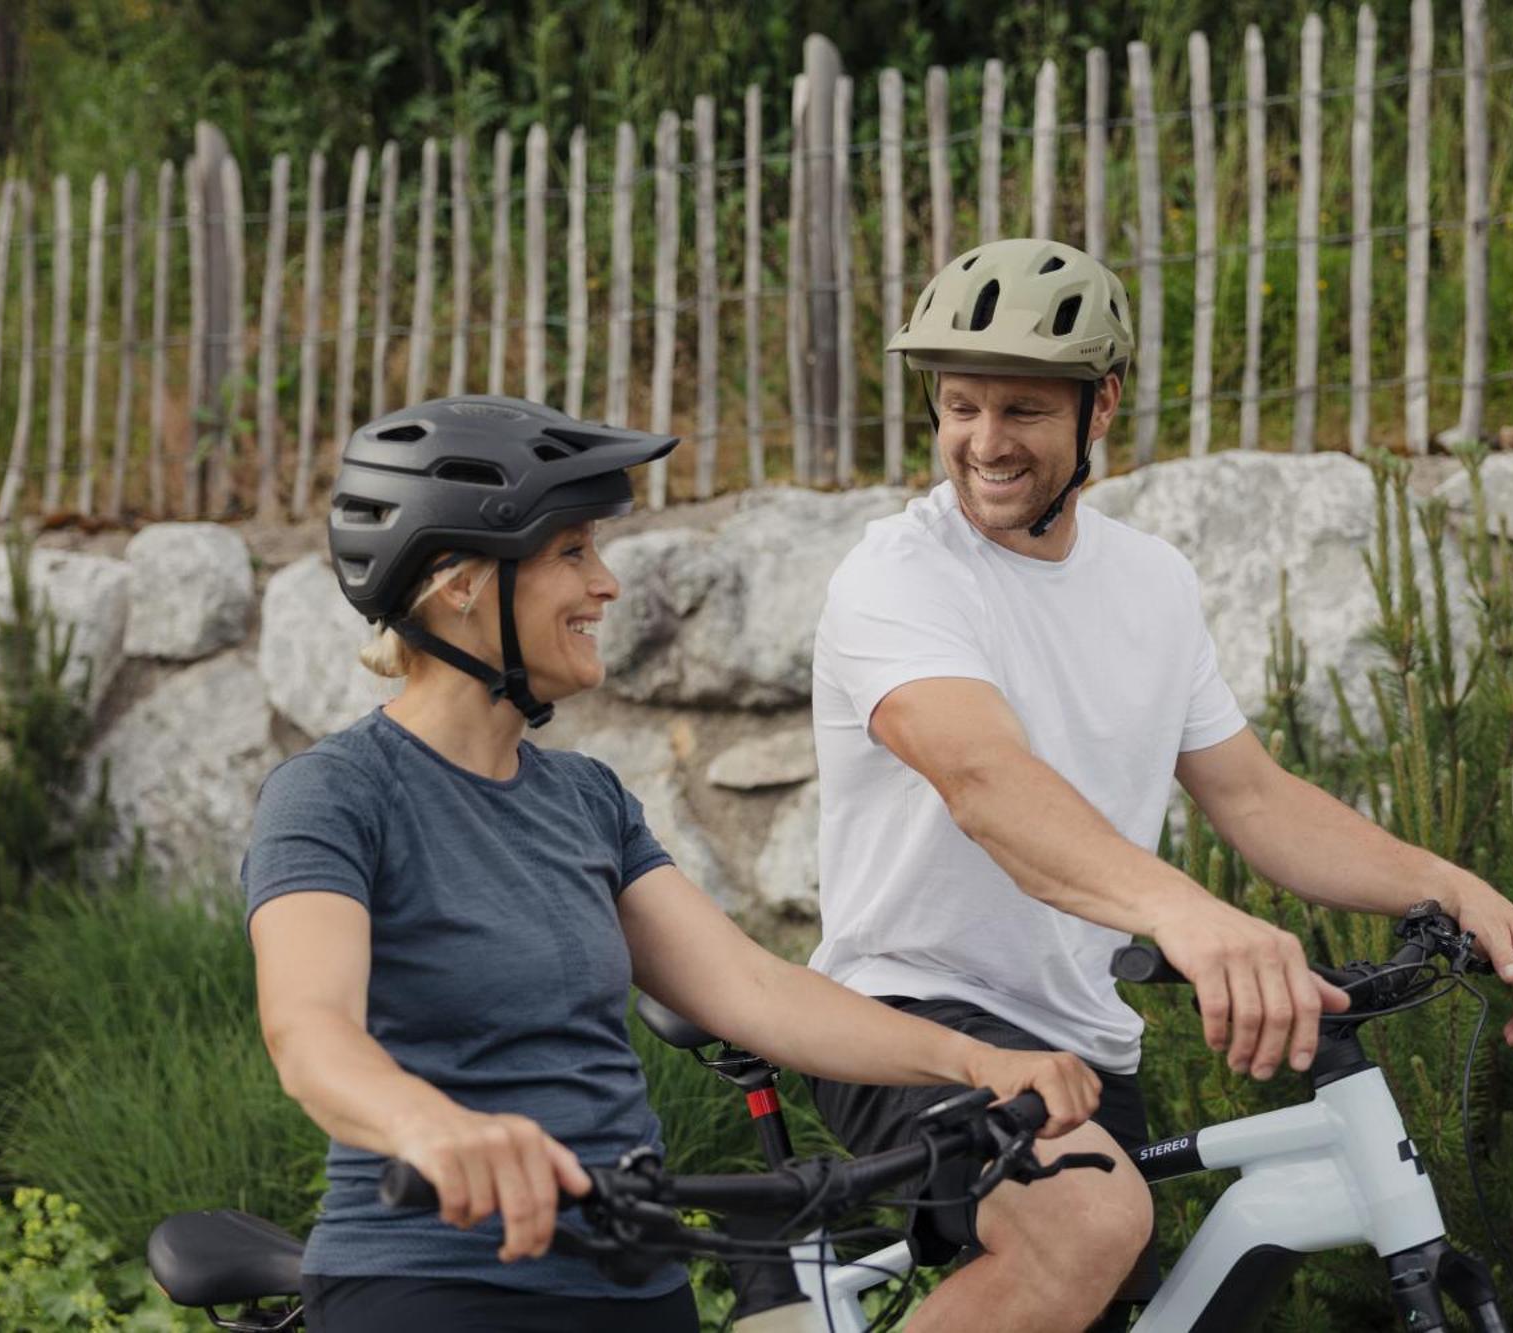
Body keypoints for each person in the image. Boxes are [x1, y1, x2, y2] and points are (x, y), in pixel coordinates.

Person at [804, 239, 1513, 1333]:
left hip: (1084, 1039)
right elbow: (984, 780)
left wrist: (1442, 884)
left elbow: (1251, 796)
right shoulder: (896, 575)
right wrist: (1189, 916)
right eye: (958, 405)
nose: (981, 441)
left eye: (1020, 409)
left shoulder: (1149, 581)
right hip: (908, 1013)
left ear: (1098, 405)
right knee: (1082, 1225)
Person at [243, 395, 1100, 1333]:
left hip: (633, 1281)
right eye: (572, 551)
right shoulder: (335, 794)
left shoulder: (586, 799)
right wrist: (431, 1127)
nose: (605, 584)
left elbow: (753, 989)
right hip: (428, 1282)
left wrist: (976, 1060)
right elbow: (310, 1031)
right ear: (460, 580)